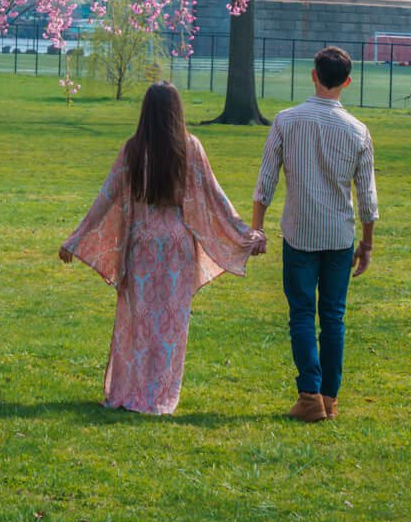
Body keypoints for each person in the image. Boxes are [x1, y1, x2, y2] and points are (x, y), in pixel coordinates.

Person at [59, 81, 266, 414]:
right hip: (177, 247)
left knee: (138, 323)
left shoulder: (132, 149)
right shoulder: (190, 147)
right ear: (176, 111)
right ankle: (158, 397)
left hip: (141, 245)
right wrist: (246, 234)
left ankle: (130, 393)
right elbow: (215, 196)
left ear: (145, 112)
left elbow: (106, 197)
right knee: (171, 327)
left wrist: (75, 237)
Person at [252, 44, 377, 423]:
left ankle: (309, 396)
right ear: (348, 82)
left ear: (313, 75)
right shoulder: (358, 130)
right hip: (339, 234)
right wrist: (367, 243)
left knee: (303, 314)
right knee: (333, 318)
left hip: (300, 233)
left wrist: (257, 227)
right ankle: (329, 398)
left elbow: (266, 181)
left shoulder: (287, 121)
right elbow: (367, 196)